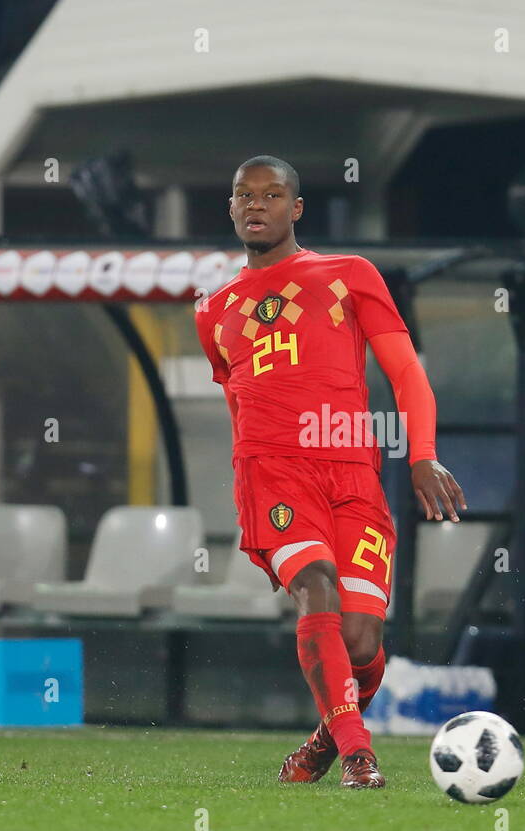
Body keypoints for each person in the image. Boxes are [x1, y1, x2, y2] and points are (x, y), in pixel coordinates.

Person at [194, 155, 465, 788]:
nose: (255, 204)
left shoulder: (348, 275)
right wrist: (250, 478)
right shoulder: (214, 311)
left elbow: (406, 372)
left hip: (352, 471)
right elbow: (239, 404)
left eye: (271, 194)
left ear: (297, 208)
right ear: (232, 208)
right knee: (316, 587)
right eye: (243, 195)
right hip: (275, 474)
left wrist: (421, 454)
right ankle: (358, 756)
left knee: (364, 641)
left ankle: (319, 745)